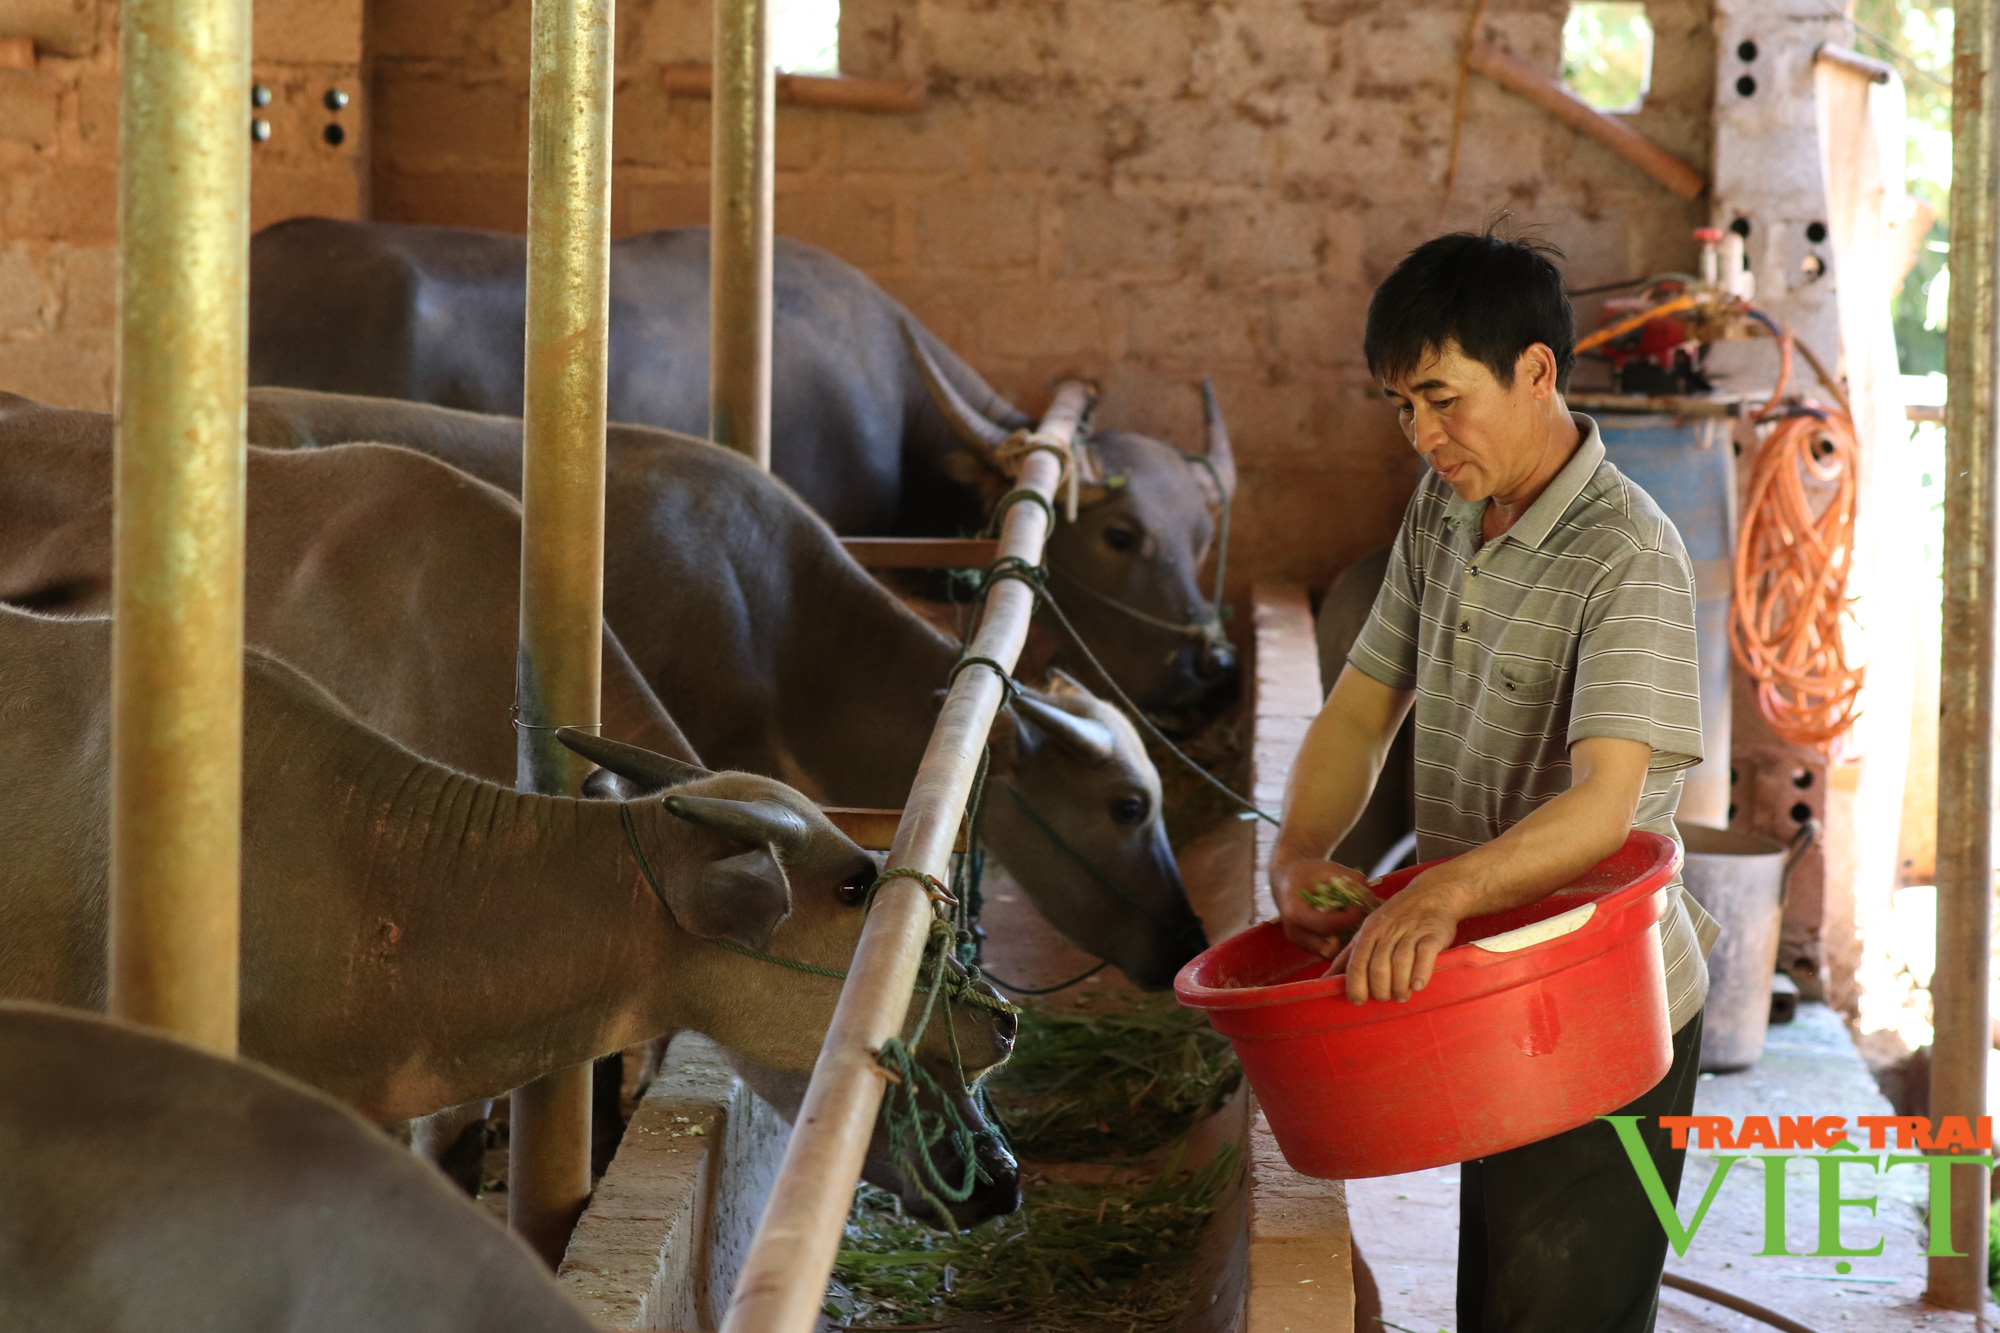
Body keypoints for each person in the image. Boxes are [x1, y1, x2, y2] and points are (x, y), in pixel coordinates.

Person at [1273, 228, 1719, 1333]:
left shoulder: (1628, 553)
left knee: (1558, 1304)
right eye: (1400, 408)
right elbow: (1360, 705)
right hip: (1492, 997)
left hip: (1605, 1013)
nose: (1422, 435)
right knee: (1500, 1294)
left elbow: (1602, 806)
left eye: (1440, 398)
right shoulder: (1449, 506)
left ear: (1534, 371)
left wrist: (1434, 892)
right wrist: (1297, 849)